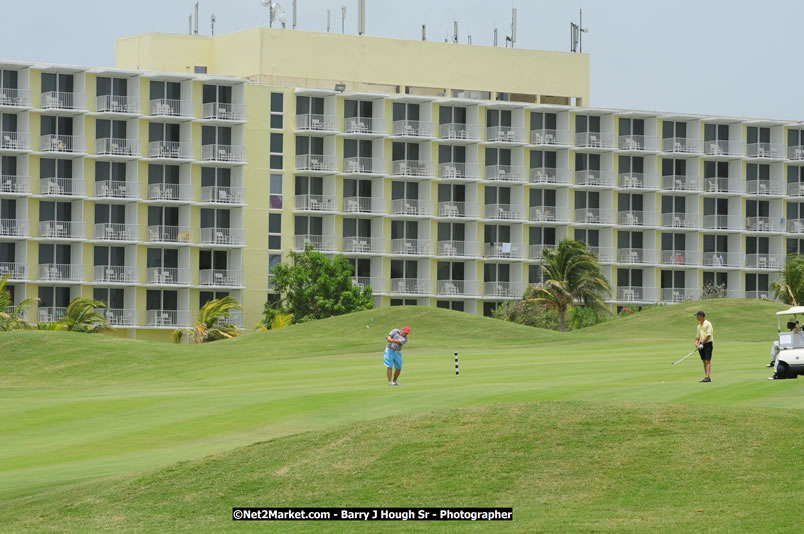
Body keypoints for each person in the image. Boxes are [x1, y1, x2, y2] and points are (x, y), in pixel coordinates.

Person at [694, 310, 713, 383]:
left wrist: (702, 344)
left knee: (707, 360)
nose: (696, 317)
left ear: (701, 316)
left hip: (708, 343)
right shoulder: (698, 326)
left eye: (697, 316)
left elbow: (708, 335)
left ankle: (707, 377)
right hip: (701, 344)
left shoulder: (708, 324)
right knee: (704, 361)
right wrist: (696, 343)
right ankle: (707, 376)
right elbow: (697, 336)